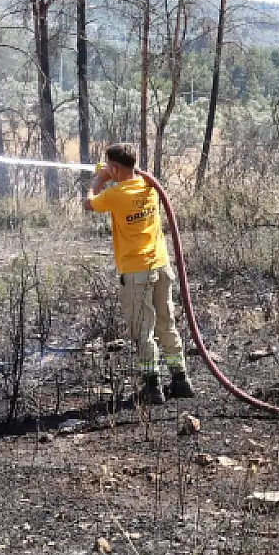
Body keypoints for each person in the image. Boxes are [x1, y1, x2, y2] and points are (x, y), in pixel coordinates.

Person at [86, 142, 195, 405]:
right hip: (161, 267)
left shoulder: (115, 194)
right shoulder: (150, 188)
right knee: (166, 324)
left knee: (143, 329)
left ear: (114, 168)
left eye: (111, 168)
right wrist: (118, 172)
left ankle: (152, 385)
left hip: (136, 273)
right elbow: (134, 178)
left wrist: (99, 178)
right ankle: (181, 379)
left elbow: (89, 203)